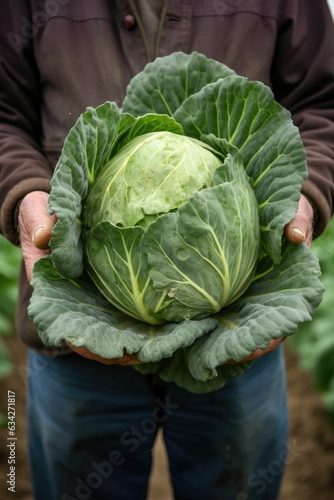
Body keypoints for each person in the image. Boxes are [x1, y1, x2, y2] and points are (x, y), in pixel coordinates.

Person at [0, 1, 334, 499]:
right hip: (82, 326)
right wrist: (26, 191)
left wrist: (306, 197)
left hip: (236, 328)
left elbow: (323, 101)